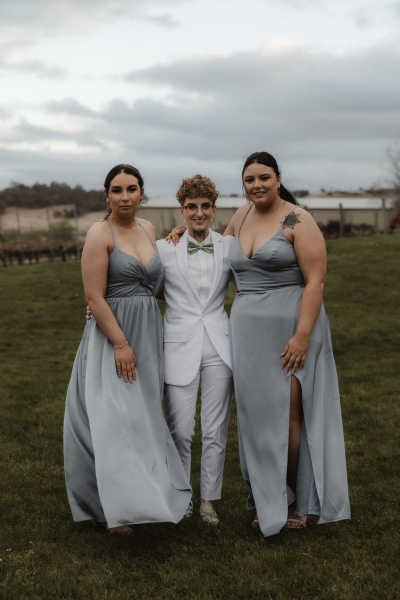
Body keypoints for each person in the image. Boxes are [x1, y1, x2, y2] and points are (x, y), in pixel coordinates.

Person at [224, 151, 350, 536]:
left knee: (288, 414)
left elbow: (315, 281)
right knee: (256, 417)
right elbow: (210, 261)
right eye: (249, 179)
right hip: (247, 334)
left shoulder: (295, 218)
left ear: (278, 179)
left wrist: (302, 335)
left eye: (264, 177)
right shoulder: (240, 216)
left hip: (291, 329)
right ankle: (266, 495)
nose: (257, 185)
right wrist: (181, 238)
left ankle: (293, 500)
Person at [64, 164, 191, 534]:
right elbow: (94, 296)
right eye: (117, 190)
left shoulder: (148, 229)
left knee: (142, 416)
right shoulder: (98, 233)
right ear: (107, 195)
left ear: (142, 193)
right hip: (113, 335)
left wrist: (179, 239)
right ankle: (113, 508)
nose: (124, 197)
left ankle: (143, 492)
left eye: (131, 189)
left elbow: (157, 284)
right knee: (114, 417)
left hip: (148, 332)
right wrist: (120, 344)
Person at [157, 175, 234, 524]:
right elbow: (142, 286)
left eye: (205, 206)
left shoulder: (229, 246)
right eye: (192, 207)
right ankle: (181, 495)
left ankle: (207, 503)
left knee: (215, 429)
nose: (199, 213)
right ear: (182, 211)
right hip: (178, 346)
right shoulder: (164, 248)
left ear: (214, 209)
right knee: (181, 430)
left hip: (220, 346)